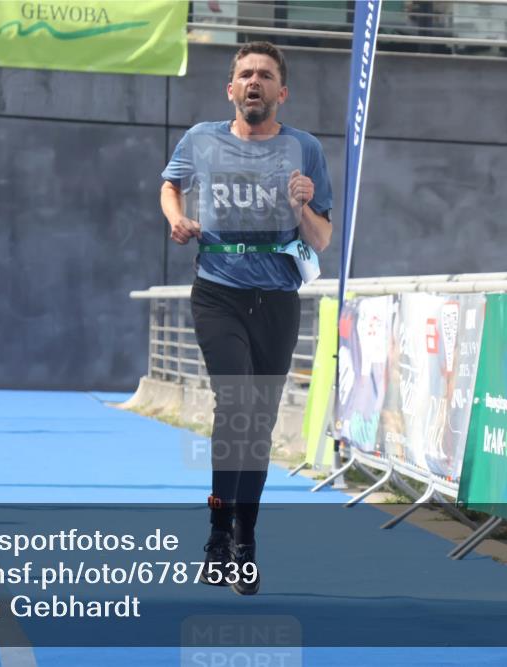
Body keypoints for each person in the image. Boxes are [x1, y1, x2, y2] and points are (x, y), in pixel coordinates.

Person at [160, 42, 333, 595]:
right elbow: (170, 184)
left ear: (282, 92)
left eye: (265, 76)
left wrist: (303, 204)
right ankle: (215, 532)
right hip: (218, 290)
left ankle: (244, 539)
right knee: (234, 402)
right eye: (245, 75)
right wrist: (177, 217)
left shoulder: (304, 149)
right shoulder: (201, 139)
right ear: (230, 89)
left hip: (278, 298)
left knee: (257, 421)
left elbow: (323, 238)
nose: (254, 82)